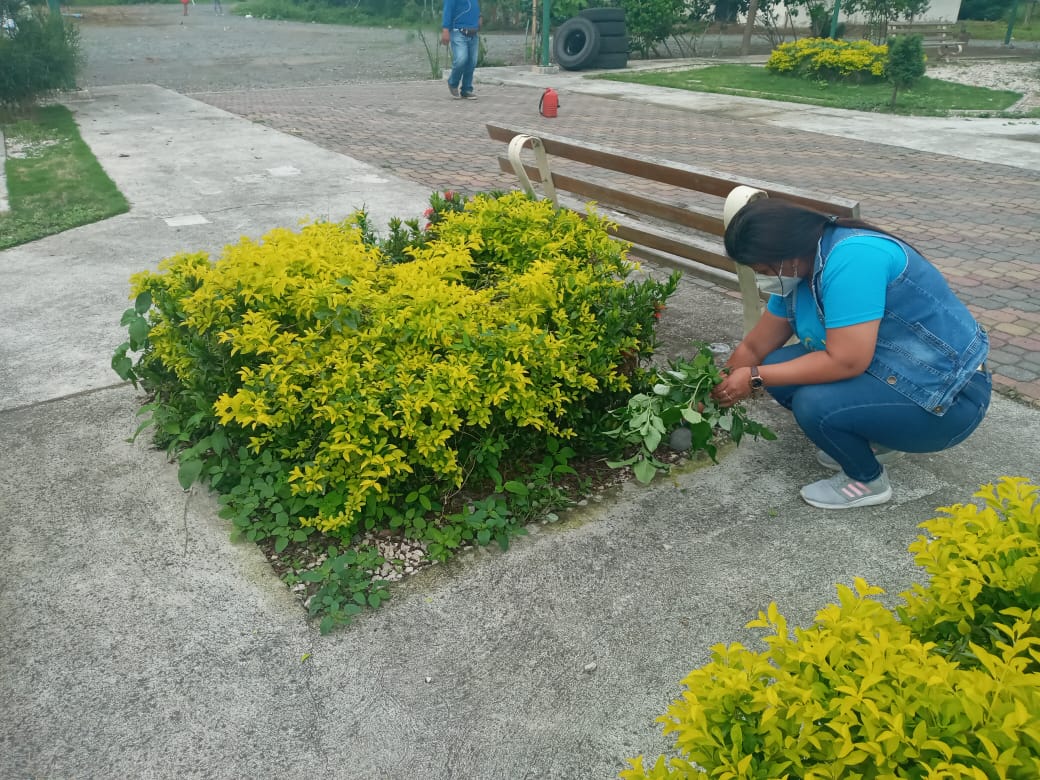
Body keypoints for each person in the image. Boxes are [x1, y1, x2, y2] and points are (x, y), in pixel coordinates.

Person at [711, 198, 991, 510]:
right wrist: (715, 387)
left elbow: (846, 361)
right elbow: (755, 348)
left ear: (787, 252)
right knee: (777, 367)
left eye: (763, 270)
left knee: (813, 403)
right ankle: (875, 438)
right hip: (893, 375)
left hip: (946, 402)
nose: (762, 278)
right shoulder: (798, 269)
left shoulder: (854, 259)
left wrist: (753, 378)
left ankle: (866, 481)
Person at [441, 0, 480, 100]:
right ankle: (453, 83)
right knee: (461, 59)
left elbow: (474, 6)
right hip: (458, 31)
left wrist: (480, 16)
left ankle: (466, 89)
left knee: (472, 62)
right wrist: (445, 29)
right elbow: (448, 9)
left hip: (473, 32)